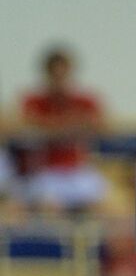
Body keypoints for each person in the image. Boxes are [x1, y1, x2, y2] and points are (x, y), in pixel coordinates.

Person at [16, 46, 107, 212]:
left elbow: (104, 126)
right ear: (47, 75)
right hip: (46, 172)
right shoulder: (33, 101)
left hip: (77, 170)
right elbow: (21, 124)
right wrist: (68, 127)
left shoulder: (85, 101)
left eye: (63, 75)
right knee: (47, 204)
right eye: (55, 75)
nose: (59, 80)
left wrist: (51, 127)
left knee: (108, 204)